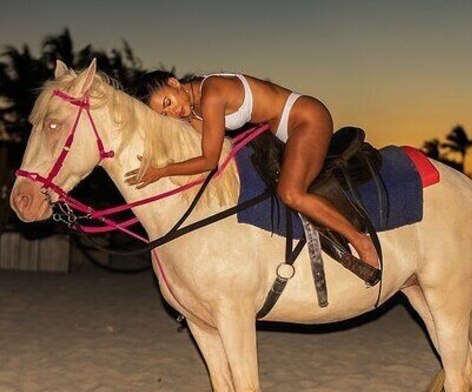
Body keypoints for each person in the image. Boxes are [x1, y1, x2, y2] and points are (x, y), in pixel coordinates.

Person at [127, 71, 380, 284]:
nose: (172, 113)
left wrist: (161, 171)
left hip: (305, 117)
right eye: (165, 114)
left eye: (168, 103)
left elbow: (208, 159)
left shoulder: (212, 93)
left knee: (291, 193)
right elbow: (206, 159)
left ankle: (361, 241)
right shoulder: (194, 111)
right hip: (281, 131)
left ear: (173, 83)